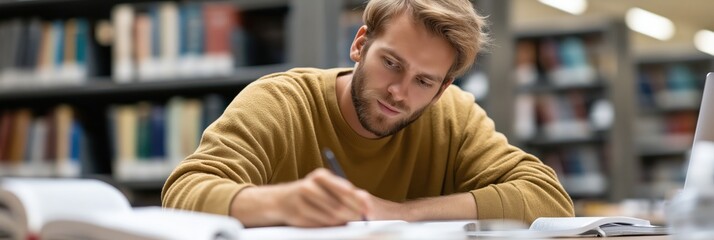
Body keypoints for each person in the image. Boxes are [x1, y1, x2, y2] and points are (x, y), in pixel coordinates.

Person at [162, 0, 574, 228]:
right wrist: (279, 204)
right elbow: (182, 194)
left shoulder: (452, 115)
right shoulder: (281, 101)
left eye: (424, 82)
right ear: (361, 44)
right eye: (391, 63)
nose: (399, 92)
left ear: (443, 87)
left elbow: (549, 199)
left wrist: (398, 212)